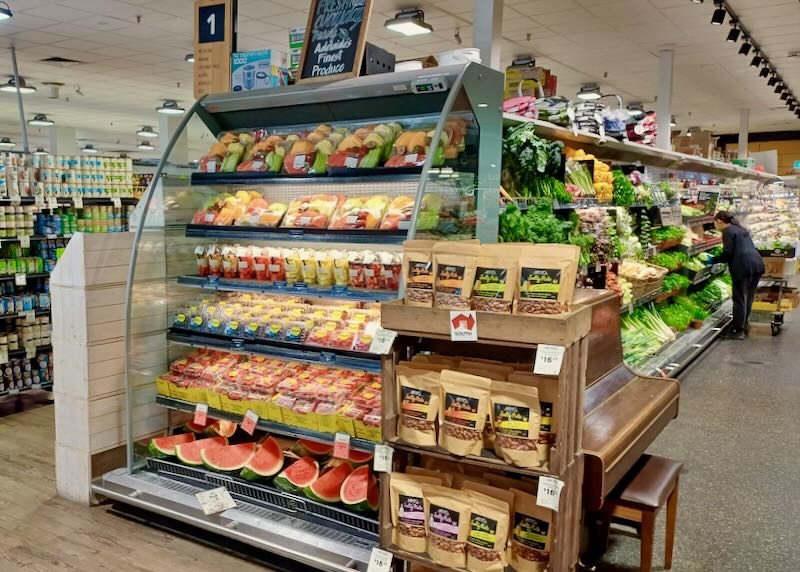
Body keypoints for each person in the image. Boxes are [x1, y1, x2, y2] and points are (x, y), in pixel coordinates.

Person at [712, 211, 764, 339]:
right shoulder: (740, 229)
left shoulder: (727, 231)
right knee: (749, 297)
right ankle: (744, 324)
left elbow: (728, 252)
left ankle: (737, 330)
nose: (714, 225)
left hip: (743, 267)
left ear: (719, 221)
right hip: (756, 264)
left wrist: (713, 260)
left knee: (739, 298)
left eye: (714, 222)